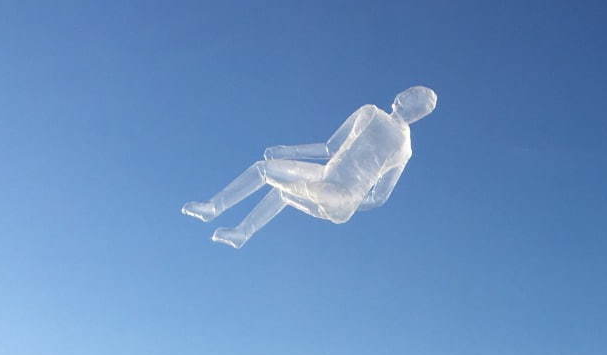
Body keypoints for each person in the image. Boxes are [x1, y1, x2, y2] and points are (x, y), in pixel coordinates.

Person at [182, 85, 437, 248]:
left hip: (335, 191)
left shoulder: (378, 121)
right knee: (274, 179)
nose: (405, 94)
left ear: (416, 109)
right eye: (410, 91)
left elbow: (333, 150)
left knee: (275, 180)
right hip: (331, 184)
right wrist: (349, 201)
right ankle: (230, 224)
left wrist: (346, 197)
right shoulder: (399, 142)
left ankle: (224, 217)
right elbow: (373, 194)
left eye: (412, 95)